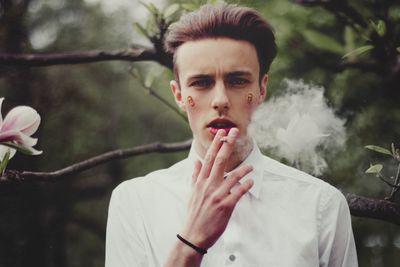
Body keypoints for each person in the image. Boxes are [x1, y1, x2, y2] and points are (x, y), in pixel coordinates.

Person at [105, 4, 358, 267]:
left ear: (262, 89)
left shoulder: (322, 206)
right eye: (201, 83)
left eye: (237, 81)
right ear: (179, 95)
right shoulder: (135, 202)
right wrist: (191, 241)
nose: (221, 100)